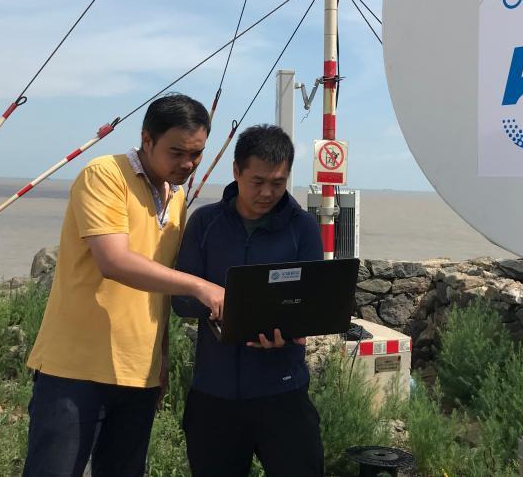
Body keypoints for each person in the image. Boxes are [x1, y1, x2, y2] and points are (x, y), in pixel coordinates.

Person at [23, 93, 225, 477]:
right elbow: (114, 261)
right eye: (177, 152)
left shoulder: (177, 197)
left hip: (138, 373)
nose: (187, 163)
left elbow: (157, 288)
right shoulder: (105, 175)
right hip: (75, 370)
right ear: (147, 139)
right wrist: (202, 287)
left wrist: (161, 358)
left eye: (196, 154)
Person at [173, 124, 324, 477]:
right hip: (214, 395)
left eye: (278, 183)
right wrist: (222, 307)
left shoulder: (302, 228)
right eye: (257, 181)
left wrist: (287, 329)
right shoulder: (205, 223)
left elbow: (312, 303)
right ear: (236, 171)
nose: (267, 193)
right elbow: (181, 301)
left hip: (284, 391)